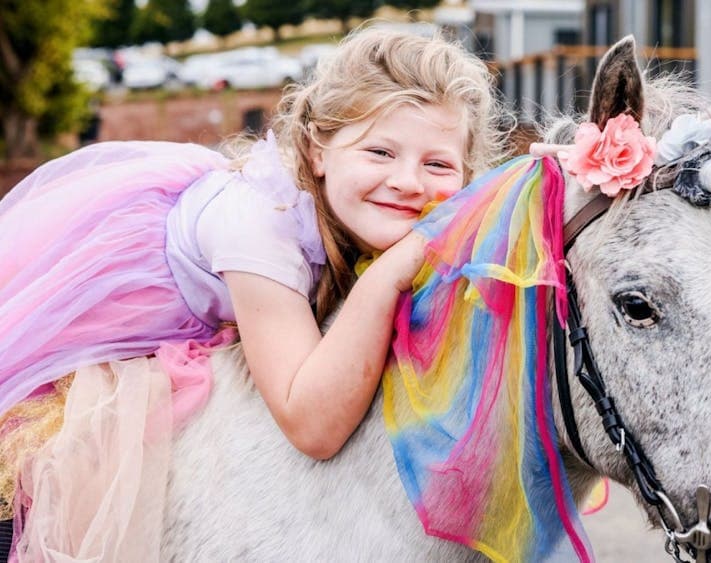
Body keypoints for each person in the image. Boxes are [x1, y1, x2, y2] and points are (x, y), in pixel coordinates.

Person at [0, 27, 507, 561]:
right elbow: (311, 423)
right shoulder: (263, 224)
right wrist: (392, 272)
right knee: (42, 479)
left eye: (438, 164)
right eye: (379, 151)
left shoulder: (362, 212)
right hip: (94, 333)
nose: (408, 181)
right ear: (317, 151)